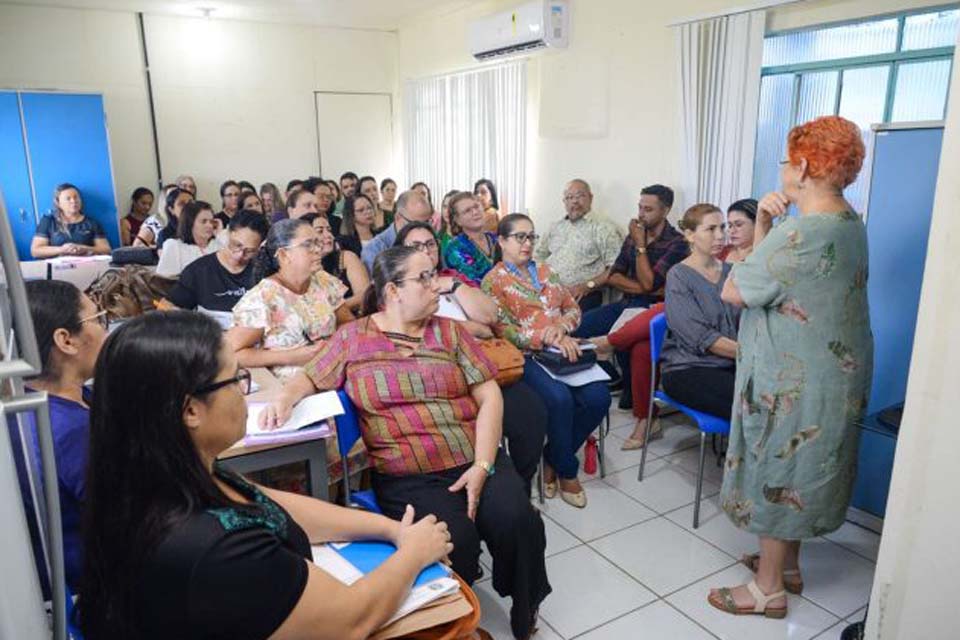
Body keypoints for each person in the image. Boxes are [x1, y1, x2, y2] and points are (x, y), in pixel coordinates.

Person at [77, 310, 458, 640]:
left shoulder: (165, 470)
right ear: (190, 410)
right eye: (236, 380)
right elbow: (351, 619)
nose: (246, 393)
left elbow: (266, 501)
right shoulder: (213, 549)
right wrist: (414, 553)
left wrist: (387, 528)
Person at [262, 247, 551, 639]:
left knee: (517, 519)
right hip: (408, 474)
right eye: (425, 278)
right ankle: (454, 621)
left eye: (435, 276)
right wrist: (283, 397)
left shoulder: (450, 332)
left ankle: (525, 603)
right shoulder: (352, 338)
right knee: (454, 539)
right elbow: (310, 378)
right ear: (393, 290)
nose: (437, 287)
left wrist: (482, 466)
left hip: (473, 456)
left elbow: (490, 396)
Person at [709, 115, 873, 619]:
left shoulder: (802, 232)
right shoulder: (849, 222)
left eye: (785, 160)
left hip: (792, 376)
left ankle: (766, 591)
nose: (782, 169)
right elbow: (776, 278)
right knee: (802, 470)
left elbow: (737, 289)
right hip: (835, 373)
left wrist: (765, 231)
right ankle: (789, 568)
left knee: (778, 467)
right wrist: (763, 225)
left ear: (802, 166)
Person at [396, 222, 548, 491]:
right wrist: (472, 329)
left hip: (490, 367)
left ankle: (522, 485)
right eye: (415, 246)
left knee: (532, 414)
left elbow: (489, 317)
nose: (425, 251)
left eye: (430, 244)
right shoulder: (399, 289)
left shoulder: (451, 276)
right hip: (442, 376)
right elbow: (418, 332)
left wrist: (453, 285)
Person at [482, 214, 610, 509]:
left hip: (564, 349)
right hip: (529, 355)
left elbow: (573, 309)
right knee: (559, 399)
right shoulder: (493, 281)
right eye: (520, 237)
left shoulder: (546, 270)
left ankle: (552, 457)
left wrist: (562, 329)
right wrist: (545, 336)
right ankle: (566, 470)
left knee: (599, 398)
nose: (527, 244)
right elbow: (503, 330)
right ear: (502, 241)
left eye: (532, 237)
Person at [10, 281, 108, 591]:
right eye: (97, 320)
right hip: (90, 587)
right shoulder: (71, 432)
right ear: (65, 340)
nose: (105, 332)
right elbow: (135, 516)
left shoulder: (40, 402)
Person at [573, 184, 689, 409]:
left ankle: (632, 391)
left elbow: (650, 285)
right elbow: (614, 275)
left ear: (665, 210)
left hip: (654, 308)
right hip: (628, 302)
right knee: (580, 327)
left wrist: (640, 247)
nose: (641, 214)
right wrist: (645, 286)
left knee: (628, 341)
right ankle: (609, 376)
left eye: (648, 209)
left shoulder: (677, 243)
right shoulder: (634, 235)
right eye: (640, 207)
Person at [227, 218, 353, 382]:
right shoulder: (263, 298)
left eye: (317, 243)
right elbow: (232, 354)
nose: (318, 250)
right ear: (284, 255)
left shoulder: (322, 281)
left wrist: (332, 346)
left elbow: (347, 322)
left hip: (333, 375)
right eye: (308, 245)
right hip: (287, 388)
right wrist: (291, 356)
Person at [659, 204, 740, 418]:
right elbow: (700, 337)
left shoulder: (732, 272)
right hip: (689, 368)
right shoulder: (678, 276)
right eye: (711, 229)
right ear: (690, 235)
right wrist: (749, 353)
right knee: (750, 403)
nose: (721, 235)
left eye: (723, 228)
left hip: (732, 361)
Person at [536, 179, 623, 312]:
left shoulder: (603, 228)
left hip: (584, 293)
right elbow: (538, 256)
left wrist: (587, 286)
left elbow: (616, 268)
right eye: (569, 197)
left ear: (591, 198)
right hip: (547, 289)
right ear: (564, 202)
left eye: (580, 196)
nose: (574, 201)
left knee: (551, 323)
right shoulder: (555, 226)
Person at [164, 210, 269, 313]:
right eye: (236, 245)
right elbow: (168, 306)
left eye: (249, 251)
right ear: (227, 233)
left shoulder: (265, 272)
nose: (239, 255)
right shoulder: (198, 271)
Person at [360, 191, 435, 272]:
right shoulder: (374, 250)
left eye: (427, 222)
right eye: (415, 224)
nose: (423, 229)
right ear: (398, 218)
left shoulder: (432, 243)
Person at [31, 184, 111, 258]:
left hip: (85, 266)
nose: (73, 201)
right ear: (58, 203)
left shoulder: (92, 223)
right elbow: (35, 251)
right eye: (68, 199)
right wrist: (62, 249)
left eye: (76, 197)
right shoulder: (48, 221)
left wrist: (84, 248)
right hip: (57, 269)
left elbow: (106, 250)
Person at [313, 215, 368, 316]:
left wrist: (333, 310)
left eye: (329, 230)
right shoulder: (302, 268)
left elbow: (364, 294)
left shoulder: (346, 257)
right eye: (320, 231)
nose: (329, 235)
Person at [444, 193, 498, 286]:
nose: (475, 212)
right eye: (467, 211)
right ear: (457, 220)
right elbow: (473, 282)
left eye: (476, 206)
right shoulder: (455, 248)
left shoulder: (495, 239)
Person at [156, 201, 221, 277]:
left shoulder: (218, 245)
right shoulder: (174, 245)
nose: (209, 226)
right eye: (204, 221)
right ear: (190, 223)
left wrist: (220, 235)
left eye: (211, 221)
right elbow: (165, 282)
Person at [720, 198, 758, 263]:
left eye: (738, 225)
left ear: (756, 224)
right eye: (730, 225)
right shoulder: (721, 252)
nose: (732, 231)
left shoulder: (765, 256)